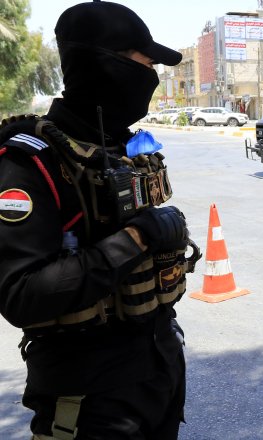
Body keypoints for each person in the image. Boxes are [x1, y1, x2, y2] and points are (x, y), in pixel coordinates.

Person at [0, 2, 199, 438]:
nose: (152, 75)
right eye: (144, 62)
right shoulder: (30, 161)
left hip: (156, 374)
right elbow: (21, 295)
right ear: (102, 63)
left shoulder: (121, 148)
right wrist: (138, 238)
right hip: (86, 399)